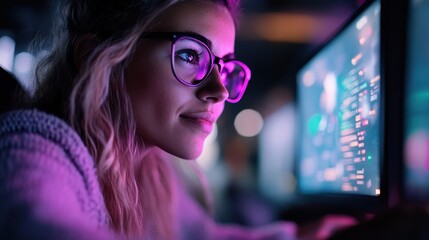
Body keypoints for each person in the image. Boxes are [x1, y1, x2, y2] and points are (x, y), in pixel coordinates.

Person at [0, 0, 356, 239]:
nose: (219, 90)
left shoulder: (149, 171)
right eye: (190, 55)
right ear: (97, 56)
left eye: (224, 66)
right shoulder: (33, 148)